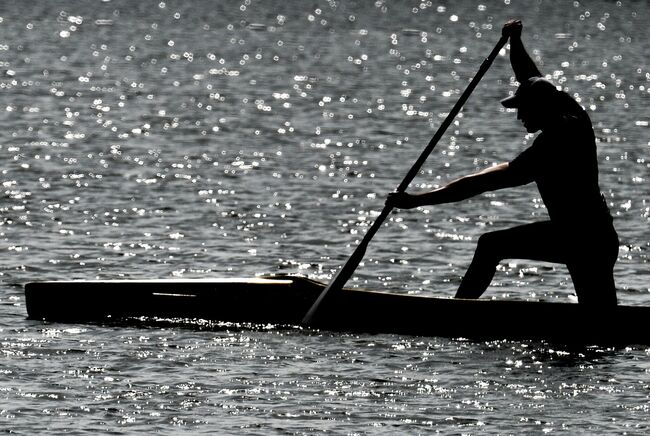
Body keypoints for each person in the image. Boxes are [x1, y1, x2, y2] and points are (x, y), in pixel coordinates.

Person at [386, 20, 619, 306]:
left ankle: (456, 315)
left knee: (491, 244)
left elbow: (484, 182)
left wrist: (418, 201)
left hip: (583, 240)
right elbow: (531, 76)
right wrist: (515, 41)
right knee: (600, 321)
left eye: (523, 109)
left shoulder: (552, 145)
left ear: (540, 108)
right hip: (591, 236)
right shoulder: (574, 115)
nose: (519, 116)